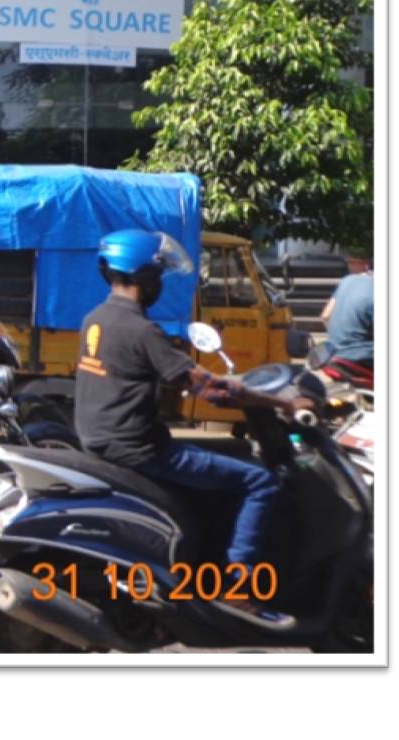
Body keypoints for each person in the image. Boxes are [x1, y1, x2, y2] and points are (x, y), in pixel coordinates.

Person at [76, 228, 295, 630]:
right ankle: (240, 588)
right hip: (140, 449)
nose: (160, 285)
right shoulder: (143, 331)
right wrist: (284, 402)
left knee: (229, 461)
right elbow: (213, 392)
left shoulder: (95, 319)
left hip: (101, 442)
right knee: (259, 481)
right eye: (157, 276)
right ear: (143, 279)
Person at [320, 266, 374, 373]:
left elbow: (325, 316)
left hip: (333, 356)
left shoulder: (347, 280)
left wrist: (340, 341)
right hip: (361, 359)